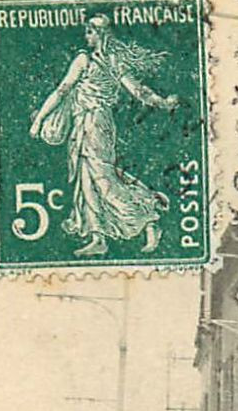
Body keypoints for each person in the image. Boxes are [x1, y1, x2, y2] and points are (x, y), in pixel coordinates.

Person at [28, 15, 179, 257]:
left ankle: (148, 218)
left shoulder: (85, 60)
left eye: (90, 32)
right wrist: (162, 102)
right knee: (87, 178)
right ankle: (98, 236)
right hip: (90, 123)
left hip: (93, 124)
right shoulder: (113, 61)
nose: (86, 37)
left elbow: (61, 90)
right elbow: (139, 91)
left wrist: (39, 120)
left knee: (102, 178)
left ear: (100, 34)